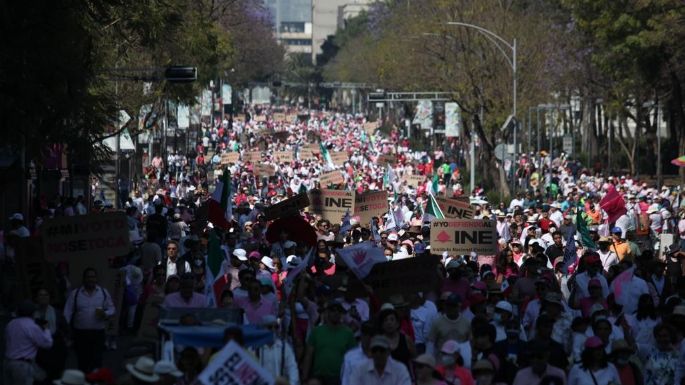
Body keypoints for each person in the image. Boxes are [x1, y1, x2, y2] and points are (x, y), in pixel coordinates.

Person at [63, 268, 115, 373]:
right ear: (84, 279)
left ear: (96, 279)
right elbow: (67, 312)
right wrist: (66, 331)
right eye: (88, 277)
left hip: (98, 334)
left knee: (97, 361)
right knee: (82, 361)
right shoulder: (75, 294)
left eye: (93, 277)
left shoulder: (103, 292)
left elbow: (112, 308)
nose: (91, 279)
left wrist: (106, 313)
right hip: (80, 335)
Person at [303, 299, 356, 385]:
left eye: (339, 310)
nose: (336, 313)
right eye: (333, 310)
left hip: (339, 378)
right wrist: (305, 378)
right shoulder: (317, 331)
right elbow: (308, 356)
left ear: (341, 314)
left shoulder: (348, 333)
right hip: (318, 378)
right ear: (327, 312)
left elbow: (354, 358)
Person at [3, 300, 53, 385]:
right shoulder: (31, 326)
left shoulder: (11, 324)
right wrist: (46, 330)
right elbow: (47, 344)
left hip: (8, 363)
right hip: (22, 365)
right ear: (33, 313)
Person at [256, 315, 299, 384]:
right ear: (262, 328)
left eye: (276, 327)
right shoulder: (255, 348)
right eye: (270, 327)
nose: (273, 330)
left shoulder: (285, 347)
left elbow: (292, 367)